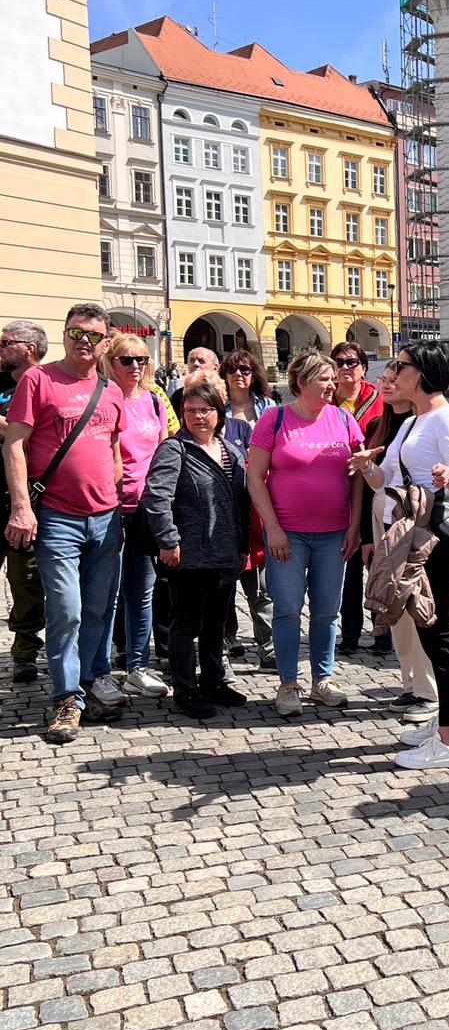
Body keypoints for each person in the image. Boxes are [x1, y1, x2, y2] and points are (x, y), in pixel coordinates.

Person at [4, 303, 129, 742]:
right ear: (64, 334)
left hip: (106, 519)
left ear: (106, 341)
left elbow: (113, 450)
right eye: (76, 332)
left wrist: (113, 494)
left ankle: (92, 683)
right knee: (67, 612)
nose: (84, 341)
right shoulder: (39, 380)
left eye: (94, 336)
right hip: (57, 518)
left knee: (98, 610)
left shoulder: (110, 390)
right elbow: (14, 445)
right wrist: (22, 506)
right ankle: (65, 699)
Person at [350, 342, 449, 768]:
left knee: (439, 631)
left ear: (420, 373)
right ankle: (446, 720)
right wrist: (368, 466)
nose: (393, 372)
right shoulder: (412, 420)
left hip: (432, 535)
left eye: (399, 366)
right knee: (427, 628)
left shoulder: (444, 417)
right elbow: (384, 479)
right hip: (408, 532)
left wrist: (448, 475)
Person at [246, 350, 364, 717]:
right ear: (301, 382)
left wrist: (355, 524)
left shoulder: (344, 419)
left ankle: (322, 680)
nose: (332, 385)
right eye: (324, 379)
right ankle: (288, 684)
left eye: (333, 379)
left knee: (327, 612)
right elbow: (255, 477)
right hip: (288, 535)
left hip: (335, 534)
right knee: (287, 610)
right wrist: (274, 529)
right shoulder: (275, 418)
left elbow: (358, 474)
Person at [141, 379, 250, 719]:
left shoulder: (230, 449)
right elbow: (156, 497)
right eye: (190, 411)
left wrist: (243, 546)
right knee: (185, 625)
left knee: (216, 623)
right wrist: (168, 540)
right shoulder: (175, 449)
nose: (198, 417)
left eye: (205, 410)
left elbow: (241, 503)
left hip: (224, 553)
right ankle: (186, 689)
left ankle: (214, 681)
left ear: (219, 413)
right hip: (188, 555)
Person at [361, 360, 437, 717]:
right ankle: (410, 684)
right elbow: (377, 483)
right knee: (394, 604)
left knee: (413, 602)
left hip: (410, 525)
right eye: (385, 380)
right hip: (385, 521)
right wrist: (366, 467)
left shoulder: (430, 423)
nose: (388, 385)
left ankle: (427, 689)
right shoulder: (384, 424)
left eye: (396, 379)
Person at [103, 331, 170, 699]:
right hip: (109, 508)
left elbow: (161, 454)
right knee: (106, 594)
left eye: (141, 359)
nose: (135, 366)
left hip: (145, 511)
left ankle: (137, 666)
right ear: (111, 362)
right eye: (126, 359)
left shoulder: (154, 401)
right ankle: (99, 666)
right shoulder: (105, 396)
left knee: (141, 591)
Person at [219, 350, 275, 670]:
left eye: (245, 369)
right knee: (226, 578)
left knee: (262, 580)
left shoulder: (267, 408)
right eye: (233, 369)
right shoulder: (217, 408)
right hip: (226, 498)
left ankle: (268, 647)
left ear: (254, 374)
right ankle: (227, 638)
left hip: (260, 498)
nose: (239, 374)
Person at [0, 321, 48, 683]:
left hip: (26, 498)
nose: (1, 348)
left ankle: (25, 652)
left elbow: (37, 436)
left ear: (29, 348)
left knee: (27, 582)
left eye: (7, 342)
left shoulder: (45, 384)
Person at [330, 342, 384, 656]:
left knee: (379, 565)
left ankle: (382, 629)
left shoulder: (378, 400)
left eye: (352, 362)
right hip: (342, 492)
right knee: (348, 568)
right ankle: (349, 632)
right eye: (340, 362)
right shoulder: (325, 401)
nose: (346, 367)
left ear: (363, 367)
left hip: (376, 492)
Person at [169, 346, 219, 417]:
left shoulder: (224, 394)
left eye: (201, 361)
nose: (195, 364)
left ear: (215, 368)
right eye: (192, 360)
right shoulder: (177, 397)